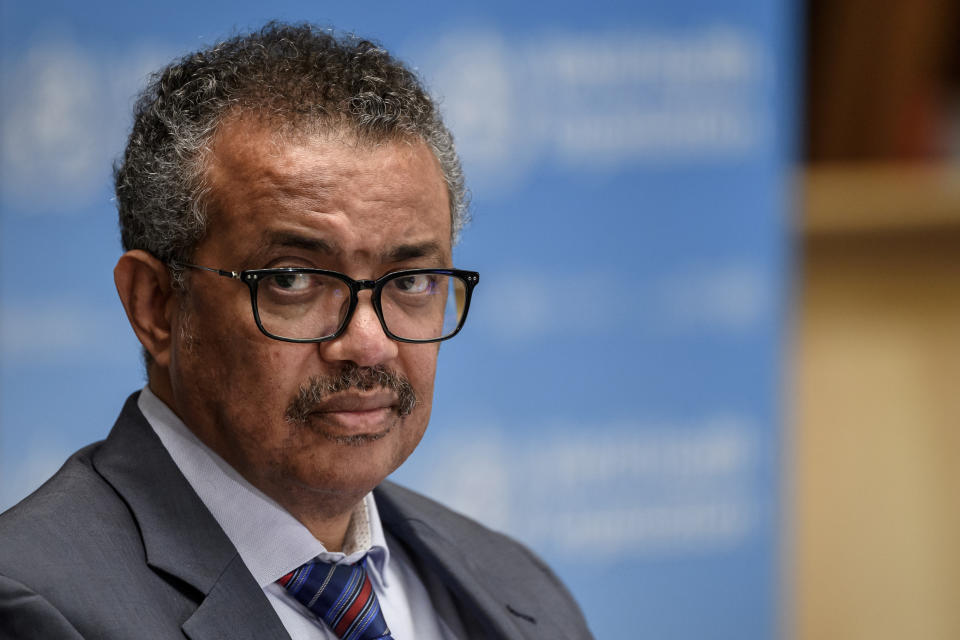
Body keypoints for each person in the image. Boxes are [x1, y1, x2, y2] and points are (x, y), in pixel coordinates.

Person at [0, 22, 592, 640]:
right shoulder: (36, 607)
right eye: (292, 279)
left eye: (411, 281)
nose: (369, 343)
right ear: (155, 306)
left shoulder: (520, 590)